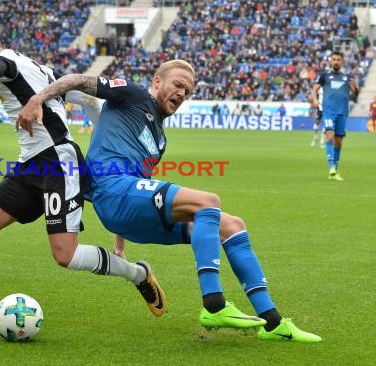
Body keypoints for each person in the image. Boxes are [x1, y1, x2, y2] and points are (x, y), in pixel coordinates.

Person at [18, 59, 321, 342]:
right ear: (157, 81)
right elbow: (78, 80)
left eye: (187, 91)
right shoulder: (133, 95)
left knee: (231, 225)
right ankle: (214, 304)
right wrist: (37, 99)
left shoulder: (159, 140)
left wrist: (120, 243)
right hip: (111, 191)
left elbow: (141, 186)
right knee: (208, 202)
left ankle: (273, 323)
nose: (182, 93)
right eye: (177, 84)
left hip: (127, 208)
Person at [0, 26, 164, 326]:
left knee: (65, 255)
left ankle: (138, 274)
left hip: (59, 160)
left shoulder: (3, 59)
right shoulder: (42, 70)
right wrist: (99, 127)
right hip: (30, 164)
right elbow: (88, 101)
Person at [312, 51, 359, 181]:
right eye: (334, 59)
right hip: (329, 112)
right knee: (330, 135)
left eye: (338, 59)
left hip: (342, 113)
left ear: (342, 62)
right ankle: (331, 168)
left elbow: (356, 95)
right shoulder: (324, 76)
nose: (336, 61)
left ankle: (335, 171)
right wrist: (315, 100)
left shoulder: (347, 78)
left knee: (338, 143)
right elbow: (315, 89)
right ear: (330, 61)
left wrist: (355, 88)